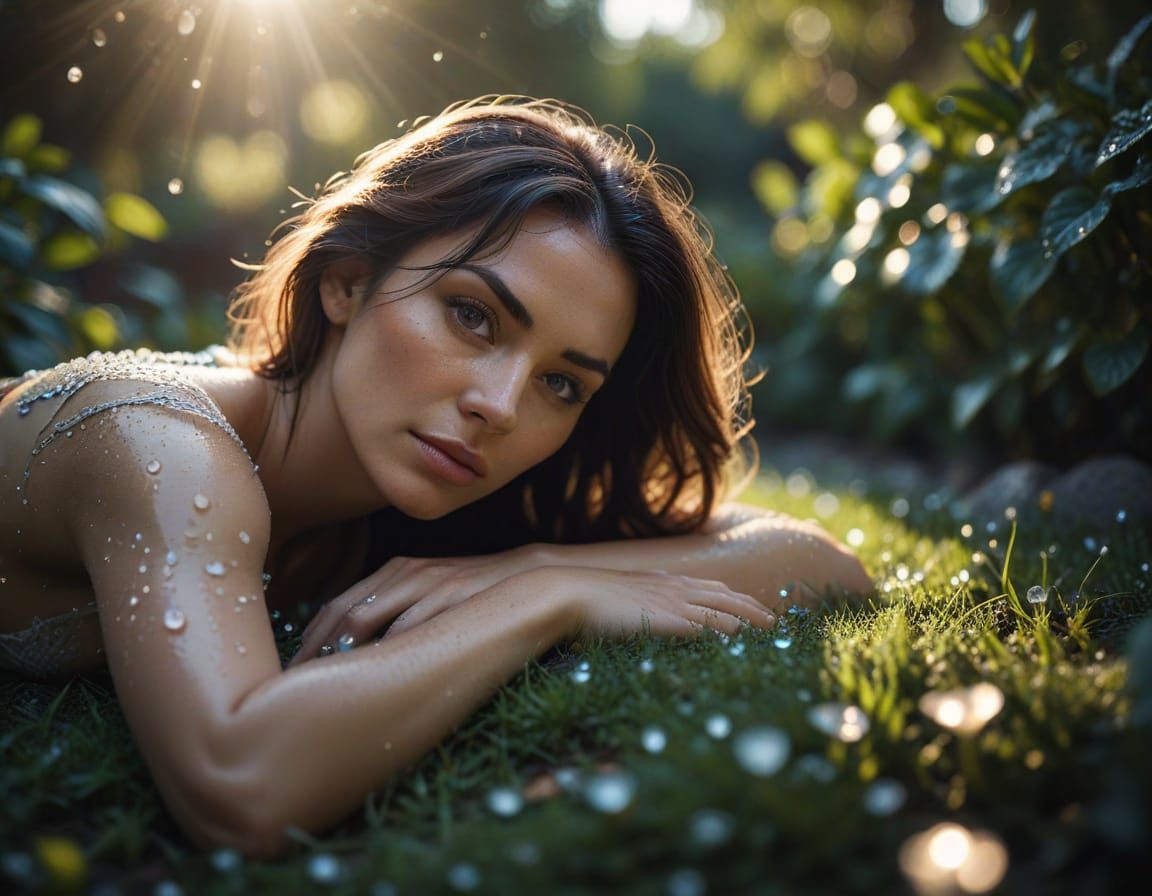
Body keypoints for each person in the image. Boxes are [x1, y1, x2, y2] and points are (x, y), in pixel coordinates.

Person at [0, 97, 869, 855]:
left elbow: (817, 559)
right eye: (472, 316)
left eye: (561, 382)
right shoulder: (160, 448)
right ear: (346, 282)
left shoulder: (417, 486)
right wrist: (538, 607)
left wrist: (539, 568)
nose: (500, 404)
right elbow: (240, 782)